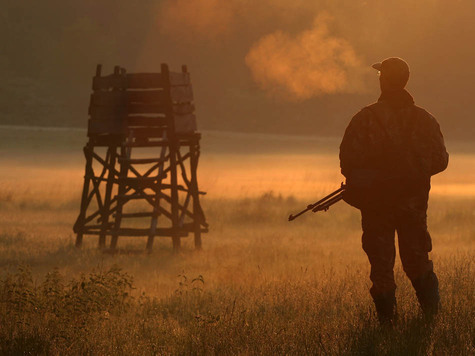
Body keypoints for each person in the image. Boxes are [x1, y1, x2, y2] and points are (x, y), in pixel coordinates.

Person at [339, 57, 449, 325]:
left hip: (377, 207)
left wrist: (375, 178)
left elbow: (347, 162)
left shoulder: (365, 119)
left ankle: (388, 329)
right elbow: (441, 160)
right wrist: (412, 174)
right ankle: (431, 324)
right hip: (413, 206)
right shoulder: (425, 119)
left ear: (383, 80)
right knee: (418, 262)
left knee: (381, 270)